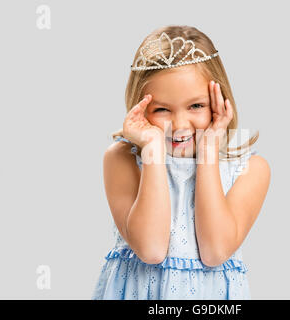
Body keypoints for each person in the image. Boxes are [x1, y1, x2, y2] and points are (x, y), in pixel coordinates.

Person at [91, 25, 271, 300]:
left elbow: (215, 251)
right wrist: (152, 150)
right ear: (140, 109)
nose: (179, 124)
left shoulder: (250, 169)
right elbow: (150, 249)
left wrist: (209, 150)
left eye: (196, 106)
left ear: (219, 101)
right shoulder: (121, 159)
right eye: (162, 109)